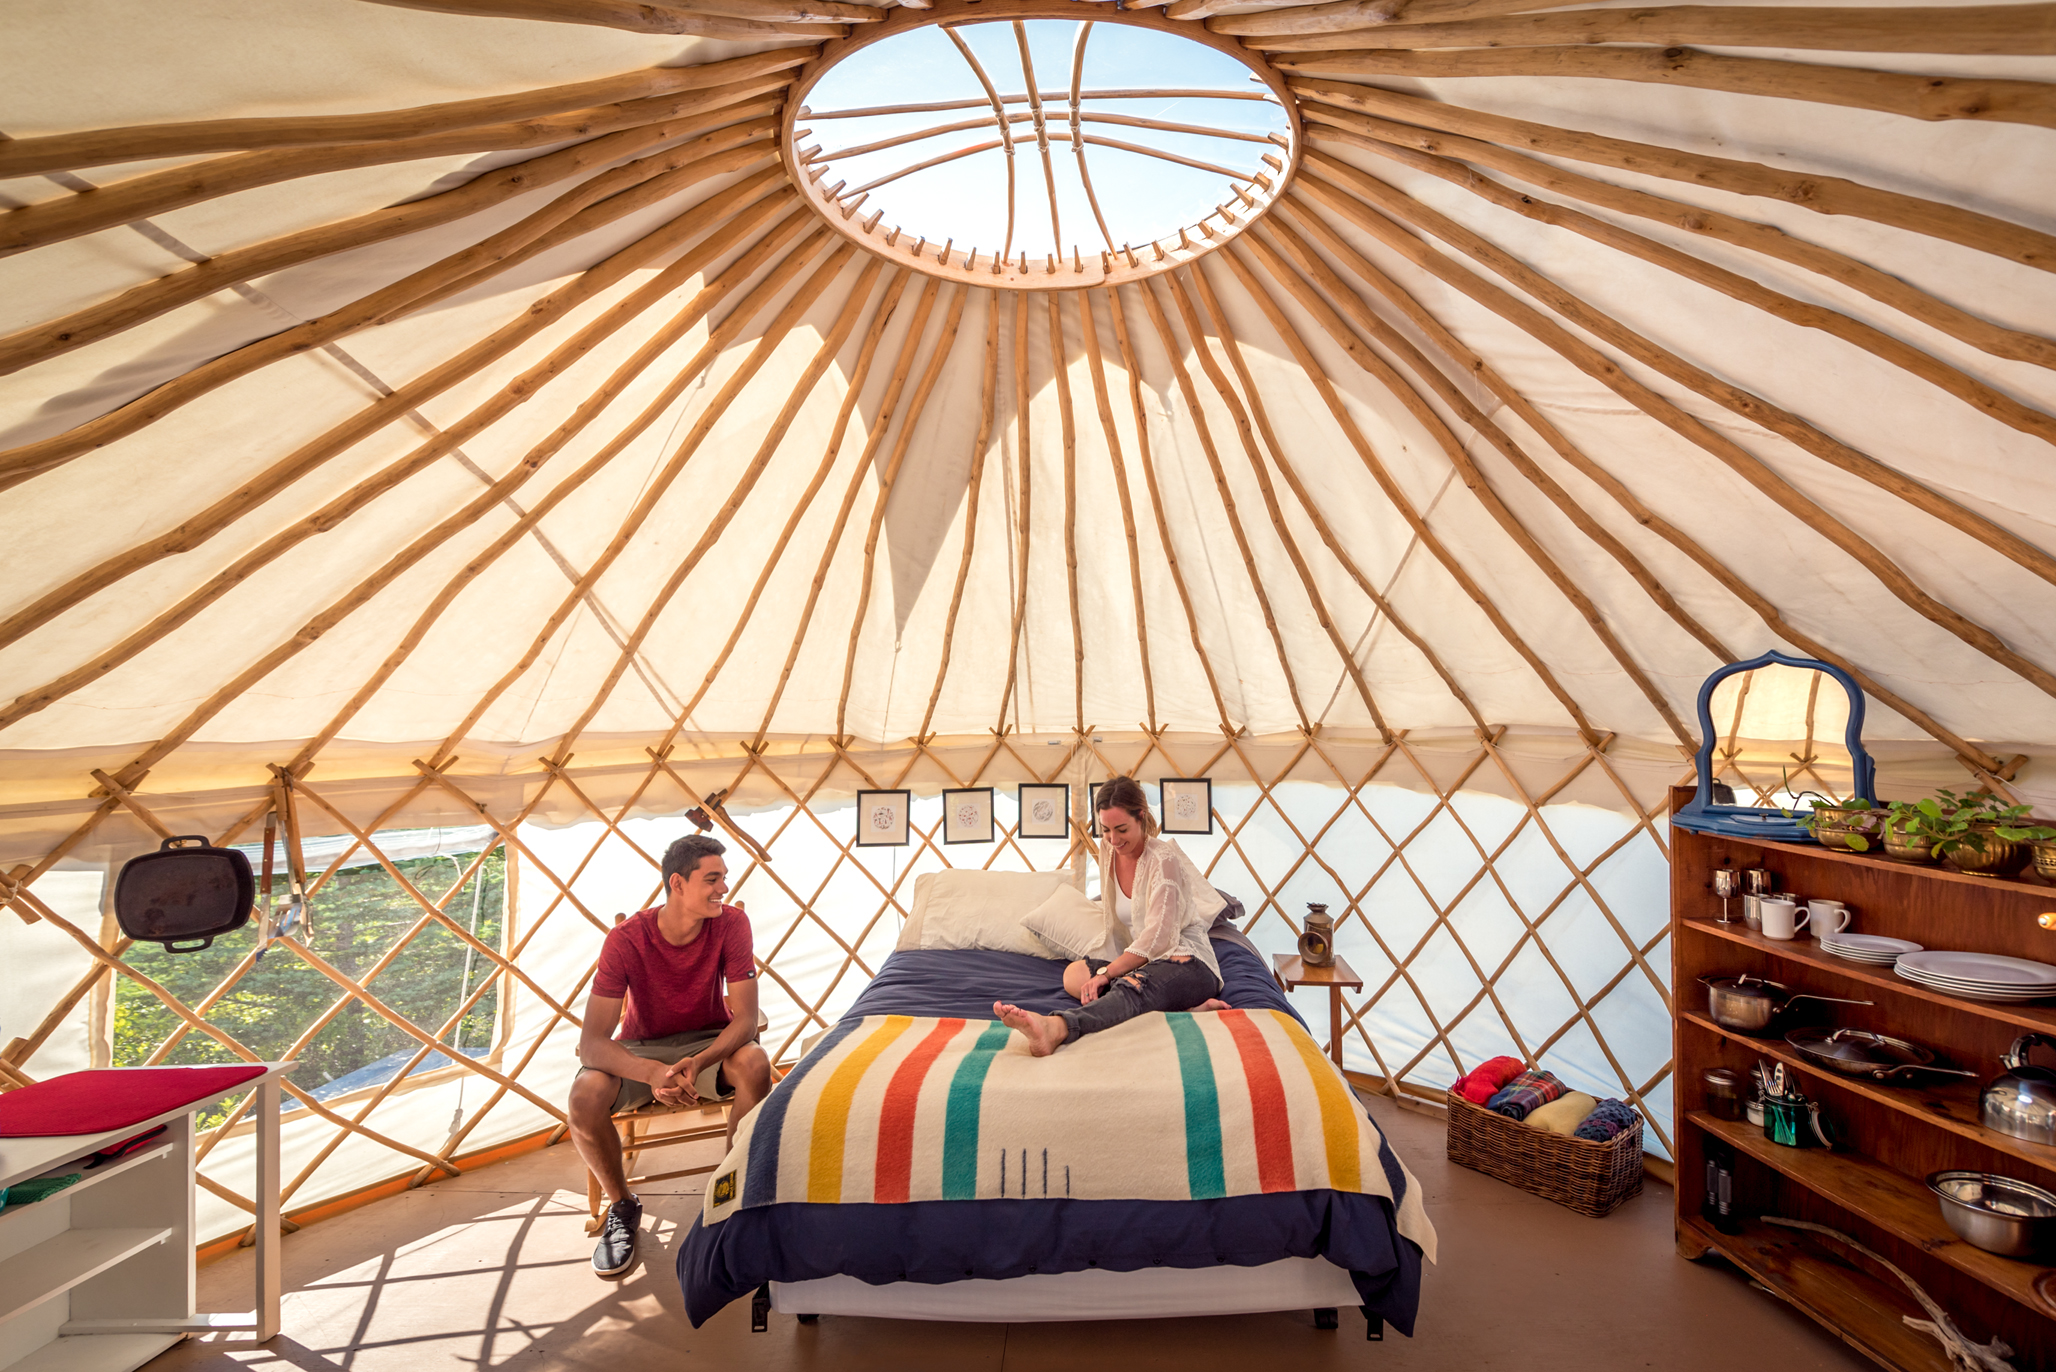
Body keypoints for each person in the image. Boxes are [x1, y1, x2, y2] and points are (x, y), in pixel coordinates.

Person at [570, 833, 772, 1278]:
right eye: (712, 879)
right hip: (643, 1047)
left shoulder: (731, 923)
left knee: (756, 1063)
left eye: (724, 879)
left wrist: (698, 1063)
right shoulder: (626, 939)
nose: (723, 889)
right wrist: (652, 1070)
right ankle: (622, 1206)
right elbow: (592, 1042)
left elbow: (746, 1018)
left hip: (707, 1042)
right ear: (678, 884)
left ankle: (729, 1192)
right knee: (585, 1095)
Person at [996, 776, 1231, 1056]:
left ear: (1141, 817)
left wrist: (1107, 974)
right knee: (1075, 975)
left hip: (1186, 962)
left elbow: (1159, 938)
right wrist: (1106, 971)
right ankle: (1182, 1010)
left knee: (1132, 985)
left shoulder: (1163, 861)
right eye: (1106, 830)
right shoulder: (1108, 849)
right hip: (1144, 962)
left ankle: (1057, 1027)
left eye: (1121, 829)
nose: (1114, 839)